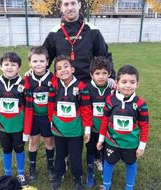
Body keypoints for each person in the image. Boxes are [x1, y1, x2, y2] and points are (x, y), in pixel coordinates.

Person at [96, 65, 150, 190]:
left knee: (131, 165)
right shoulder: (110, 100)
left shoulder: (141, 104)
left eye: (132, 82)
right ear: (117, 83)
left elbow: (145, 126)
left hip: (130, 144)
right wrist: (101, 139)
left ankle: (129, 187)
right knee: (108, 163)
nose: (127, 86)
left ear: (137, 84)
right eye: (124, 82)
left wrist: (141, 147)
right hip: (112, 142)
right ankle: (106, 185)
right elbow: (104, 121)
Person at [43, 0, 116, 85]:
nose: (70, 8)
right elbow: (44, 58)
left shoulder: (92, 31)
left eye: (73, 3)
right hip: (63, 86)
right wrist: (34, 71)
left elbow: (104, 56)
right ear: (61, 8)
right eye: (66, 4)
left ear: (79, 5)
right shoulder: (54, 33)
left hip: (87, 84)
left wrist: (111, 77)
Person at [48, 55, 92, 190]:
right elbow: (50, 105)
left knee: (76, 156)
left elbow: (86, 109)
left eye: (66, 66)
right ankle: (59, 174)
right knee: (60, 154)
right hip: (59, 129)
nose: (63, 70)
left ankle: (77, 177)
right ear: (56, 73)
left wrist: (87, 129)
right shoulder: (54, 85)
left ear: (72, 69)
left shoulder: (81, 86)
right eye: (59, 68)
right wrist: (51, 122)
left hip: (75, 130)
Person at [0, 51, 28, 187]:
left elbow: (29, 108)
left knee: (19, 149)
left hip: (19, 127)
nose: (9, 67)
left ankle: (21, 174)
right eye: (6, 64)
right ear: (1, 66)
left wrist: (27, 129)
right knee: (6, 150)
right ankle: (7, 175)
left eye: (13, 64)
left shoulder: (24, 84)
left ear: (19, 67)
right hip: (2, 126)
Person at [22, 46, 55, 182]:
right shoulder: (26, 79)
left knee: (49, 141)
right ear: (30, 63)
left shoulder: (54, 78)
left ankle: (50, 166)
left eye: (41, 61)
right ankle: (32, 167)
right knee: (33, 141)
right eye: (35, 61)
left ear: (47, 62)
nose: (38, 64)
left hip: (48, 117)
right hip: (33, 117)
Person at [84, 56, 115, 188]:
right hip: (93, 128)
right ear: (91, 75)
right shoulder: (87, 88)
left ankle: (104, 169)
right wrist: (87, 130)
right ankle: (90, 171)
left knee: (105, 150)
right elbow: (85, 111)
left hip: (107, 129)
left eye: (104, 73)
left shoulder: (113, 89)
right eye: (97, 73)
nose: (101, 77)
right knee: (90, 149)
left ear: (109, 74)